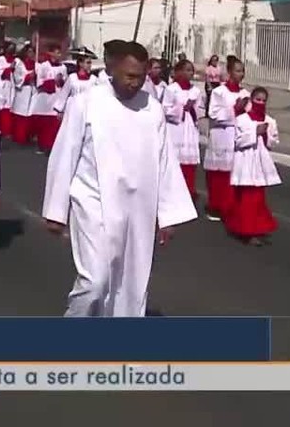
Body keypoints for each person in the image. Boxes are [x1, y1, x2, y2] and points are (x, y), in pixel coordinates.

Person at [42, 40, 196, 317]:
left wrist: (169, 216)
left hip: (138, 210)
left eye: (141, 77)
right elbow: (64, 155)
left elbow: (165, 164)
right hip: (93, 203)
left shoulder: (153, 110)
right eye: (130, 76)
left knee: (131, 283)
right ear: (112, 70)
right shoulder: (85, 103)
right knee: (95, 281)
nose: (135, 84)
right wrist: (56, 210)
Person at [226, 87, 281, 246]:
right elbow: (238, 141)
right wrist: (254, 132)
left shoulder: (270, 121)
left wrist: (266, 135)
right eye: (258, 99)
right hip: (245, 161)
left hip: (260, 163)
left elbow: (273, 142)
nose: (261, 103)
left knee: (258, 198)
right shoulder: (242, 119)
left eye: (264, 100)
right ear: (251, 100)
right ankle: (246, 230)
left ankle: (255, 228)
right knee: (246, 197)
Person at [203, 55, 249, 222]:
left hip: (237, 136)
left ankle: (232, 206)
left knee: (235, 173)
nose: (241, 73)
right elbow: (213, 114)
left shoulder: (245, 93)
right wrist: (234, 110)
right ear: (229, 72)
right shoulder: (219, 92)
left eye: (243, 70)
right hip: (221, 135)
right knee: (219, 174)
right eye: (237, 70)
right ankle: (216, 206)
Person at [163, 59, 204, 200]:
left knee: (189, 161)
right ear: (178, 72)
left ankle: (189, 189)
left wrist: (193, 109)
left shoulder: (196, 91)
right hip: (176, 128)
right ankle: (173, 191)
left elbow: (201, 110)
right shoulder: (171, 89)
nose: (189, 73)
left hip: (190, 127)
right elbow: (166, 109)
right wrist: (181, 108)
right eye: (186, 70)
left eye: (191, 70)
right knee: (175, 160)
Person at [32, 45, 67, 154]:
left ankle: (52, 147)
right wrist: (52, 81)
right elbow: (39, 83)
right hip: (45, 99)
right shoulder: (44, 66)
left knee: (54, 124)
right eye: (56, 52)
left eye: (59, 53)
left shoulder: (63, 67)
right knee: (44, 123)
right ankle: (42, 145)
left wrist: (61, 81)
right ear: (50, 53)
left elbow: (65, 84)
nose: (58, 55)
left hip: (57, 98)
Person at [53, 50, 98, 116]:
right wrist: (59, 109)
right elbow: (64, 93)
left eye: (90, 63)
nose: (90, 65)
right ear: (81, 64)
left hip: (87, 109)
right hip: (73, 109)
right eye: (88, 63)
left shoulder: (94, 79)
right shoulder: (72, 77)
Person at [0, 41, 17, 136]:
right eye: (10, 48)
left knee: (8, 107)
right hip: (1, 85)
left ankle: (6, 131)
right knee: (0, 107)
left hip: (10, 86)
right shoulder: (0, 60)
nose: (12, 50)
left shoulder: (15, 60)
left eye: (13, 48)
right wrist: (9, 69)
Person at [10, 45, 36, 145]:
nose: (31, 54)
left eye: (32, 52)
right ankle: (19, 138)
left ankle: (28, 137)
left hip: (32, 92)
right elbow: (17, 78)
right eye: (29, 52)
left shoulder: (35, 64)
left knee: (30, 115)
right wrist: (28, 77)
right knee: (21, 116)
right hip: (22, 92)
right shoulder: (19, 63)